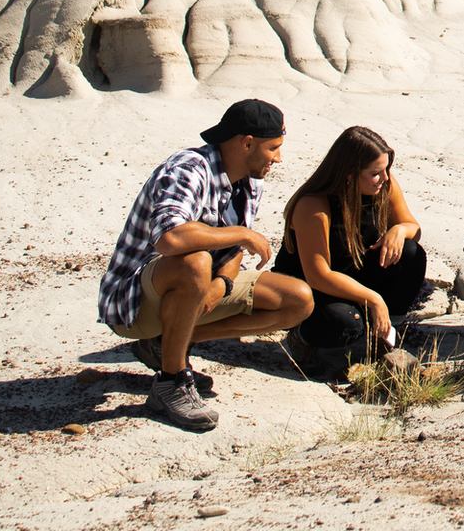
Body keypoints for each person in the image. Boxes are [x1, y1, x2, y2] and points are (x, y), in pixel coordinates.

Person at [98, 100, 315, 432]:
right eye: (273, 148)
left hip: (196, 291)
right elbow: (169, 237)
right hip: (135, 303)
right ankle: (170, 382)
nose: (278, 158)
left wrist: (223, 285)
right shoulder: (189, 168)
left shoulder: (249, 181)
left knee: (299, 300)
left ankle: (168, 346)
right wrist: (242, 233)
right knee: (195, 262)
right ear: (247, 143)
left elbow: (233, 253)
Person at [272, 126, 427, 378]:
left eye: (386, 169)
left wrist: (398, 231)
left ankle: (386, 333)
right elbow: (318, 274)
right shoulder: (314, 205)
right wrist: (373, 298)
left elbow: (413, 227)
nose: (385, 178)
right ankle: (303, 341)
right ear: (349, 175)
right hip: (313, 288)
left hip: (353, 272)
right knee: (344, 322)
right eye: (376, 173)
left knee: (411, 254)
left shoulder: (384, 186)